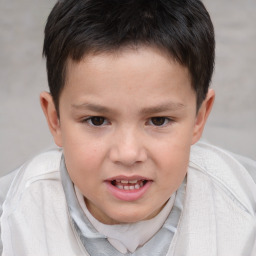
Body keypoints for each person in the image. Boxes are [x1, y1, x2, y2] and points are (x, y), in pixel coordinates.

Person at [1, 0, 256, 255]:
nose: (128, 153)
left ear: (199, 118)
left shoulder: (243, 206)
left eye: (158, 120)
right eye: (97, 120)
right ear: (55, 119)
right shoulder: (13, 215)